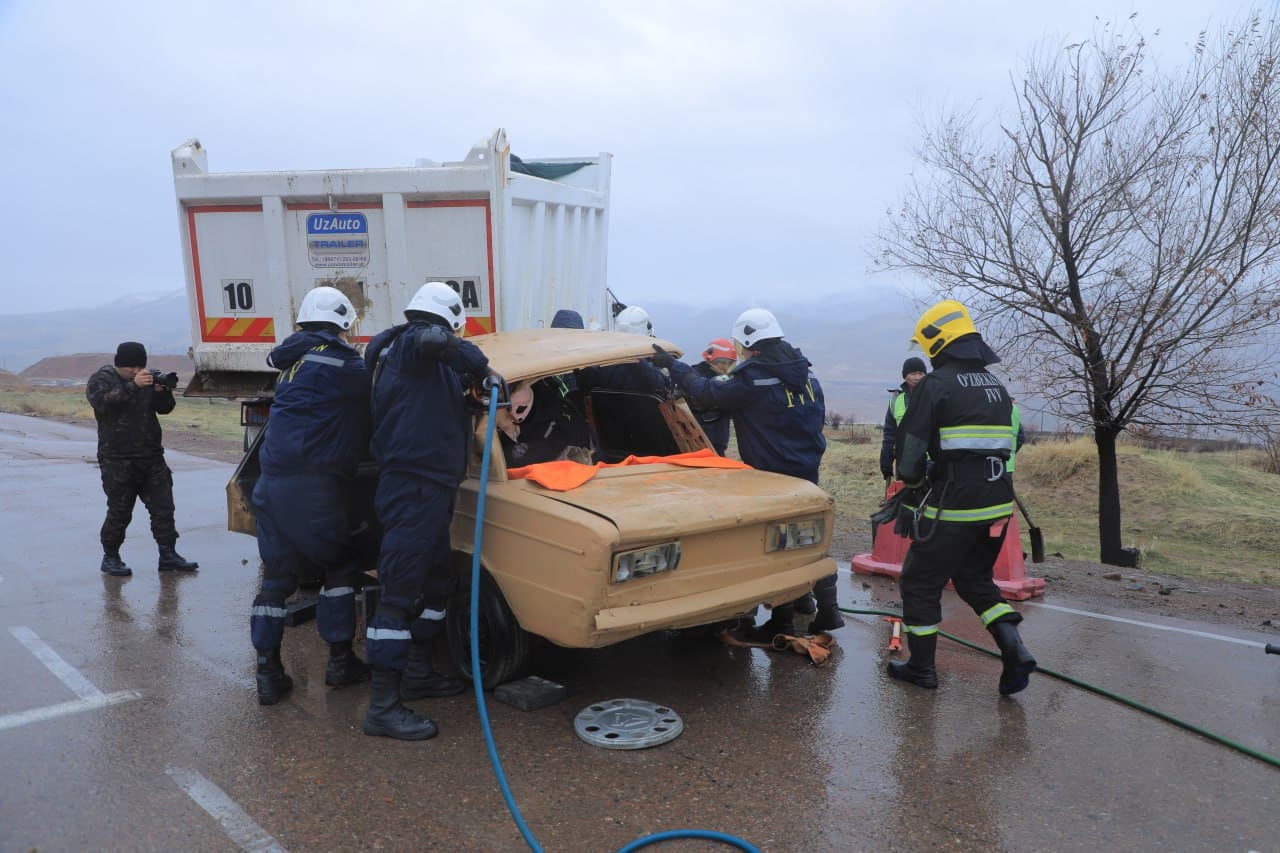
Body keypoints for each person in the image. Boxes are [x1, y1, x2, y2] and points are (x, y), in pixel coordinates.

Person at [652, 308, 844, 636]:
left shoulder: (753, 376)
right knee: (809, 537)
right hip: (807, 469)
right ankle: (825, 609)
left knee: (778, 545)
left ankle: (781, 624)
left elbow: (708, 391)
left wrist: (674, 367)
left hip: (770, 475)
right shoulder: (807, 373)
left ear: (749, 343)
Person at [361, 282, 494, 741]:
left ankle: (419, 672)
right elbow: (433, 341)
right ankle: (383, 706)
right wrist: (482, 366)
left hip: (430, 489)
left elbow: (433, 401)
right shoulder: (412, 343)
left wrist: (470, 395)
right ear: (450, 321)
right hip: (412, 487)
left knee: (438, 583)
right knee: (398, 594)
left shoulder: (417, 363)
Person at [888, 299, 1036, 694]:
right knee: (973, 579)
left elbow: (911, 455)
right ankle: (1015, 650)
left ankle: (922, 670)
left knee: (919, 582)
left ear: (939, 342)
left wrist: (914, 485)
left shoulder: (935, 385)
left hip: (953, 505)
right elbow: (1008, 443)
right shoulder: (995, 386)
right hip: (997, 505)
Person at [249, 287, 372, 706]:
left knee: (276, 580)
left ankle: (268, 672)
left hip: (271, 485)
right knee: (339, 566)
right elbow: (378, 400)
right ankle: (340, 660)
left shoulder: (291, 360)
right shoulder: (343, 362)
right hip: (313, 486)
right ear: (342, 323)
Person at [87, 342, 198, 577]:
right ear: (120, 366)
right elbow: (103, 404)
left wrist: (161, 392)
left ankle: (168, 555)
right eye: (131, 368)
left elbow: (166, 409)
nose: (137, 371)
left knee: (163, 508)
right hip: (117, 459)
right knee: (120, 511)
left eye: (140, 366)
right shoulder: (102, 379)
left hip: (151, 457)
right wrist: (132, 386)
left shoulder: (146, 379)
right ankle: (111, 557)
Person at [879, 357, 927, 485]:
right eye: (913, 373)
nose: (917, 377)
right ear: (905, 376)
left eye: (921, 373)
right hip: (904, 463)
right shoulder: (896, 401)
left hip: (929, 463)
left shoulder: (934, 397)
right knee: (904, 499)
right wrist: (886, 459)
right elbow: (889, 434)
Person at [687, 338, 735, 456]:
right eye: (722, 361)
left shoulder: (730, 379)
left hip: (719, 439)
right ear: (710, 359)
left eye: (729, 362)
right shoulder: (694, 376)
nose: (725, 366)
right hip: (699, 438)